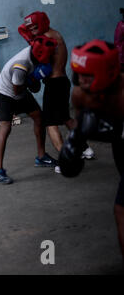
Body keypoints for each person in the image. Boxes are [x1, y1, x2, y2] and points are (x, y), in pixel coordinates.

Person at [58, 40, 124, 261]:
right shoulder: (80, 95)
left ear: (109, 72)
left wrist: (112, 131)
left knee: (121, 210)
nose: (82, 81)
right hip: (120, 149)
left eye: (89, 74)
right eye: (79, 73)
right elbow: (82, 126)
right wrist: (74, 145)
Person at [19, 11, 95, 169]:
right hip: (63, 82)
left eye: (34, 27)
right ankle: (86, 149)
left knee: (50, 123)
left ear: (42, 23)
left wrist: (32, 76)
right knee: (66, 118)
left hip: (54, 84)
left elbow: (43, 66)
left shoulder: (46, 39)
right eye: (30, 28)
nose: (32, 31)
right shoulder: (54, 34)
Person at [0, 35, 58, 184]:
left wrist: (37, 79)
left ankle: (41, 157)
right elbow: (16, 91)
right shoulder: (21, 65)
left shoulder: (38, 54)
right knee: (6, 127)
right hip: (6, 92)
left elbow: (34, 89)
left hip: (21, 89)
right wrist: (33, 79)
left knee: (39, 117)